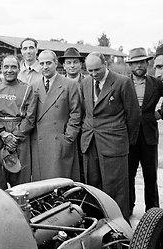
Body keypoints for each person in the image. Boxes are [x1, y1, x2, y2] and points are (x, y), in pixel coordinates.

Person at [80, 52, 141, 220]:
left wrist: (126, 142)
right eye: (90, 71)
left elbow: (134, 116)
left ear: (105, 64)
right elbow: (86, 112)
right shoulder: (85, 83)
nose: (93, 74)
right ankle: (96, 223)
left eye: (97, 70)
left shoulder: (122, 82)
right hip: (90, 143)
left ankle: (119, 227)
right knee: (93, 187)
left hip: (114, 144)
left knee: (116, 188)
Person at [30, 50, 81, 181]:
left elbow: (76, 114)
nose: (45, 66)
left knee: (60, 185)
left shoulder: (70, 84)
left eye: (48, 63)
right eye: (41, 63)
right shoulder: (34, 86)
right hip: (39, 144)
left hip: (59, 142)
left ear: (56, 63)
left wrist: (68, 138)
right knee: (41, 187)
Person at [0, 55, 37, 189]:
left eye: (13, 67)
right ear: (1, 68)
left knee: (21, 178)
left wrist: (14, 136)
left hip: (20, 136)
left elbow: (30, 117)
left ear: (19, 68)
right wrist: (3, 134)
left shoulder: (27, 89)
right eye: (6, 67)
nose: (9, 70)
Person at [126, 47, 163, 213]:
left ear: (147, 63)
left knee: (150, 176)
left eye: (142, 62)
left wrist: (160, 113)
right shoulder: (123, 83)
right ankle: (128, 207)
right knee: (128, 175)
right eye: (135, 63)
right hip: (129, 136)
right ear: (130, 66)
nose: (139, 66)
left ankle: (153, 212)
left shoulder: (156, 83)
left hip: (149, 135)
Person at [58, 47, 86, 182]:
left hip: (86, 132)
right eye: (68, 62)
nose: (72, 65)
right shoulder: (59, 84)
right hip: (66, 132)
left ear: (81, 64)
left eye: (75, 62)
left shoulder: (89, 83)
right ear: (63, 65)